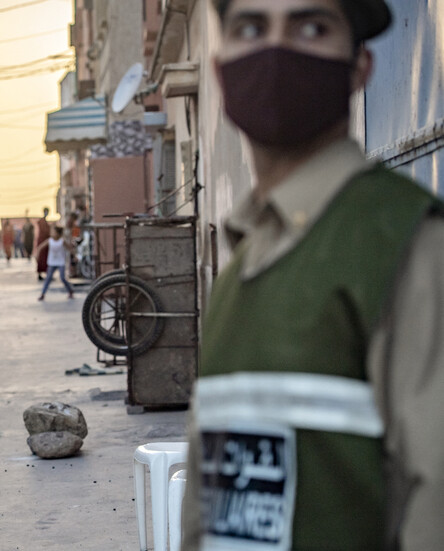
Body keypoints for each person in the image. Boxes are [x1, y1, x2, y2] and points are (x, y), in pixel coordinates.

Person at [182, 1, 444, 549]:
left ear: (360, 67)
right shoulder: (239, 272)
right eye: (251, 28)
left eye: (311, 27)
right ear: (219, 67)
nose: (278, 51)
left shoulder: (409, 246)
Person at [33, 226, 74, 301]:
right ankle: (43, 294)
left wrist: (74, 255)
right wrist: (37, 255)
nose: (52, 233)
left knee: (62, 278)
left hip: (60, 262)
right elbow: (40, 247)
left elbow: (69, 248)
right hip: (52, 262)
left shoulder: (62, 241)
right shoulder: (50, 240)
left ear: (58, 234)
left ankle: (70, 290)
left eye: (53, 232)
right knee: (48, 278)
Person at [34, 207, 50, 280]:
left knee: (45, 258)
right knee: (41, 258)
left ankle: (47, 273)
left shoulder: (45, 221)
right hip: (42, 241)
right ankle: (40, 274)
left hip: (45, 241)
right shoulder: (42, 221)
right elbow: (45, 231)